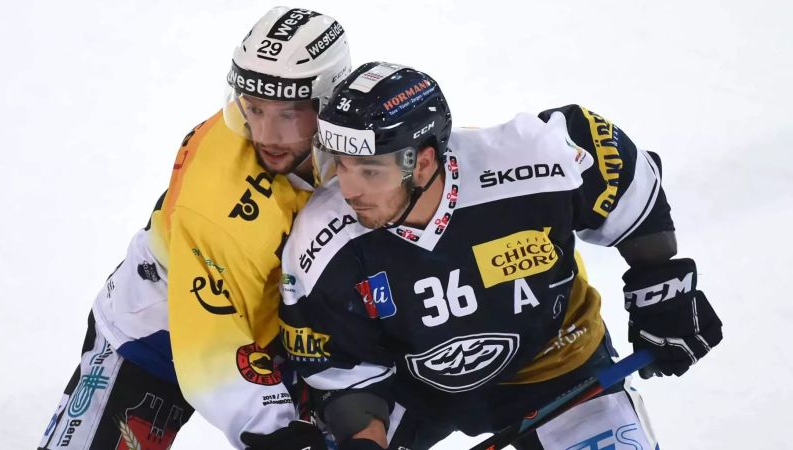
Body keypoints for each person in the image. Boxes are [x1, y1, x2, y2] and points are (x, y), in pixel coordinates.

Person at [278, 62, 723, 450]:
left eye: (370, 170)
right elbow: (345, 375)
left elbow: (623, 175)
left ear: (426, 162)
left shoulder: (534, 162)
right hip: (411, 390)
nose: (348, 188)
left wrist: (662, 285)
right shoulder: (322, 240)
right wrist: (363, 443)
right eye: (341, 163)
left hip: (555, 362)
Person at [38, 7, 351, 450]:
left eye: (288, 114)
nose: (265, 134)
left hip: (284, 328)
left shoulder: (358, 134)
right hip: (157, 336)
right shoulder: (217, 204)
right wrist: (276, 434)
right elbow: (210, 344)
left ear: (331, 100)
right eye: (255, 108)